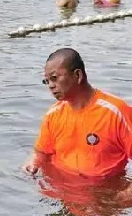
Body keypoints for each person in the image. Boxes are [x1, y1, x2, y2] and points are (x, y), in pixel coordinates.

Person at [23, 48, 132, 181]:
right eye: (47, 81)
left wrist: (128, 192)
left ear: (78, 75)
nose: (51, 86)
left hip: (104, 193)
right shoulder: (53, 115)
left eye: (54, 78)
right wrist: (33, 163)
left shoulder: (115, 112)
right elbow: (41, 152)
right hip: (62, 193)